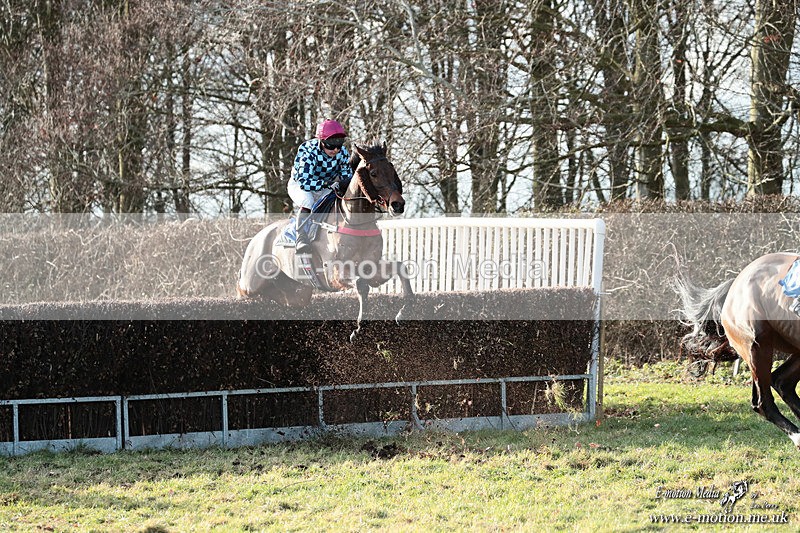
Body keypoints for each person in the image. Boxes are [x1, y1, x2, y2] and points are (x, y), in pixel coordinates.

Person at [288, 119, 353, 254]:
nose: (335, 149)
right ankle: (301, 238)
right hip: (300, 184)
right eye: (330, 145)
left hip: (325, 185)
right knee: (308, 201)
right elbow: (305, 183)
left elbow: (347, 177)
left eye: (339, 144)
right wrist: (327, 184)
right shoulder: (309, 152)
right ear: (321, 141)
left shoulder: (343, 153)